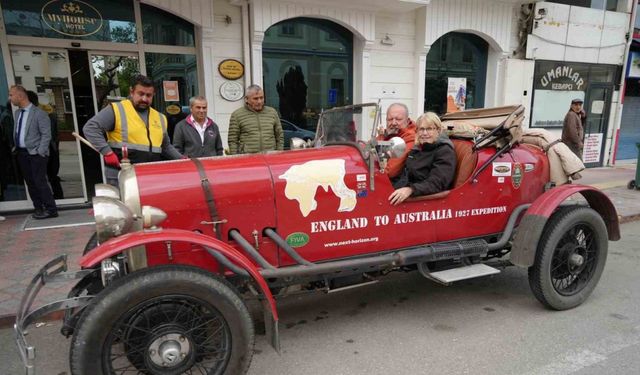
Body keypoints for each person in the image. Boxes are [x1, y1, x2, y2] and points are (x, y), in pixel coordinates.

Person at [83, 74, 183, 186]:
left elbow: (165, 146)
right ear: (132, 92)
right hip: (122, 175)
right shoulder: (117, 109)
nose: (144, 99)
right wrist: (107, 152)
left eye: (148, 95)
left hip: (149, 175)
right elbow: (90, 128)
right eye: (141, 94)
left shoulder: (160, 117)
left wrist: (182, 159)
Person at [9, 85, 58, 219]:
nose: (10, 98)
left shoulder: (39, 113)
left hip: (36, 153)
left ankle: (51, 209)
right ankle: (38, 208)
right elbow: (19, 131)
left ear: (20, 96)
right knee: (30, 182)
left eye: (11, 95)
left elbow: (46, 135)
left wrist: (40, 152)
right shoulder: (17, 113)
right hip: (22, 153)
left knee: (39, 181)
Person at [388, 112, 456, 206]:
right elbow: (405, 173)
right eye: (421, 129)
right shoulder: (419, 148)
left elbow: (436, 183)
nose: (424, 133)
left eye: (429, 129)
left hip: (424, 201)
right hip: (405, 191)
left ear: (438, 130)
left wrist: (410, 190)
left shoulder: (444, 151)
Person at [27, 91, 63, 199]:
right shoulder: (49, 113)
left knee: (44, 177)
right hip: (51, 149)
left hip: (44, 150)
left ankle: (53, 199)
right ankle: (58, 197)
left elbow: (51, 134)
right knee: (51, 176)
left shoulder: (39, 115)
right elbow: (56, 135)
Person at [228, 85, 283, 154]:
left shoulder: (272, 112)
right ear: (246, 99)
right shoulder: (237, 115)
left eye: (261, 98)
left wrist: (279, 153)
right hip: (248, 158)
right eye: (255, 98)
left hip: (270, 156)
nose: (259, 101)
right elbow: (232, 140)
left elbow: (279, 135)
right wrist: (235, 158)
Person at [377, 103, 417, 180]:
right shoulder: (391, 132)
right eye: (390, 119)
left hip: (400, 183)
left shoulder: (410, 137)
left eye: (398, 119)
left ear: (408, 121)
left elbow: (389, 172)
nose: (393, 123)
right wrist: (383, 136)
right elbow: (370, 148)